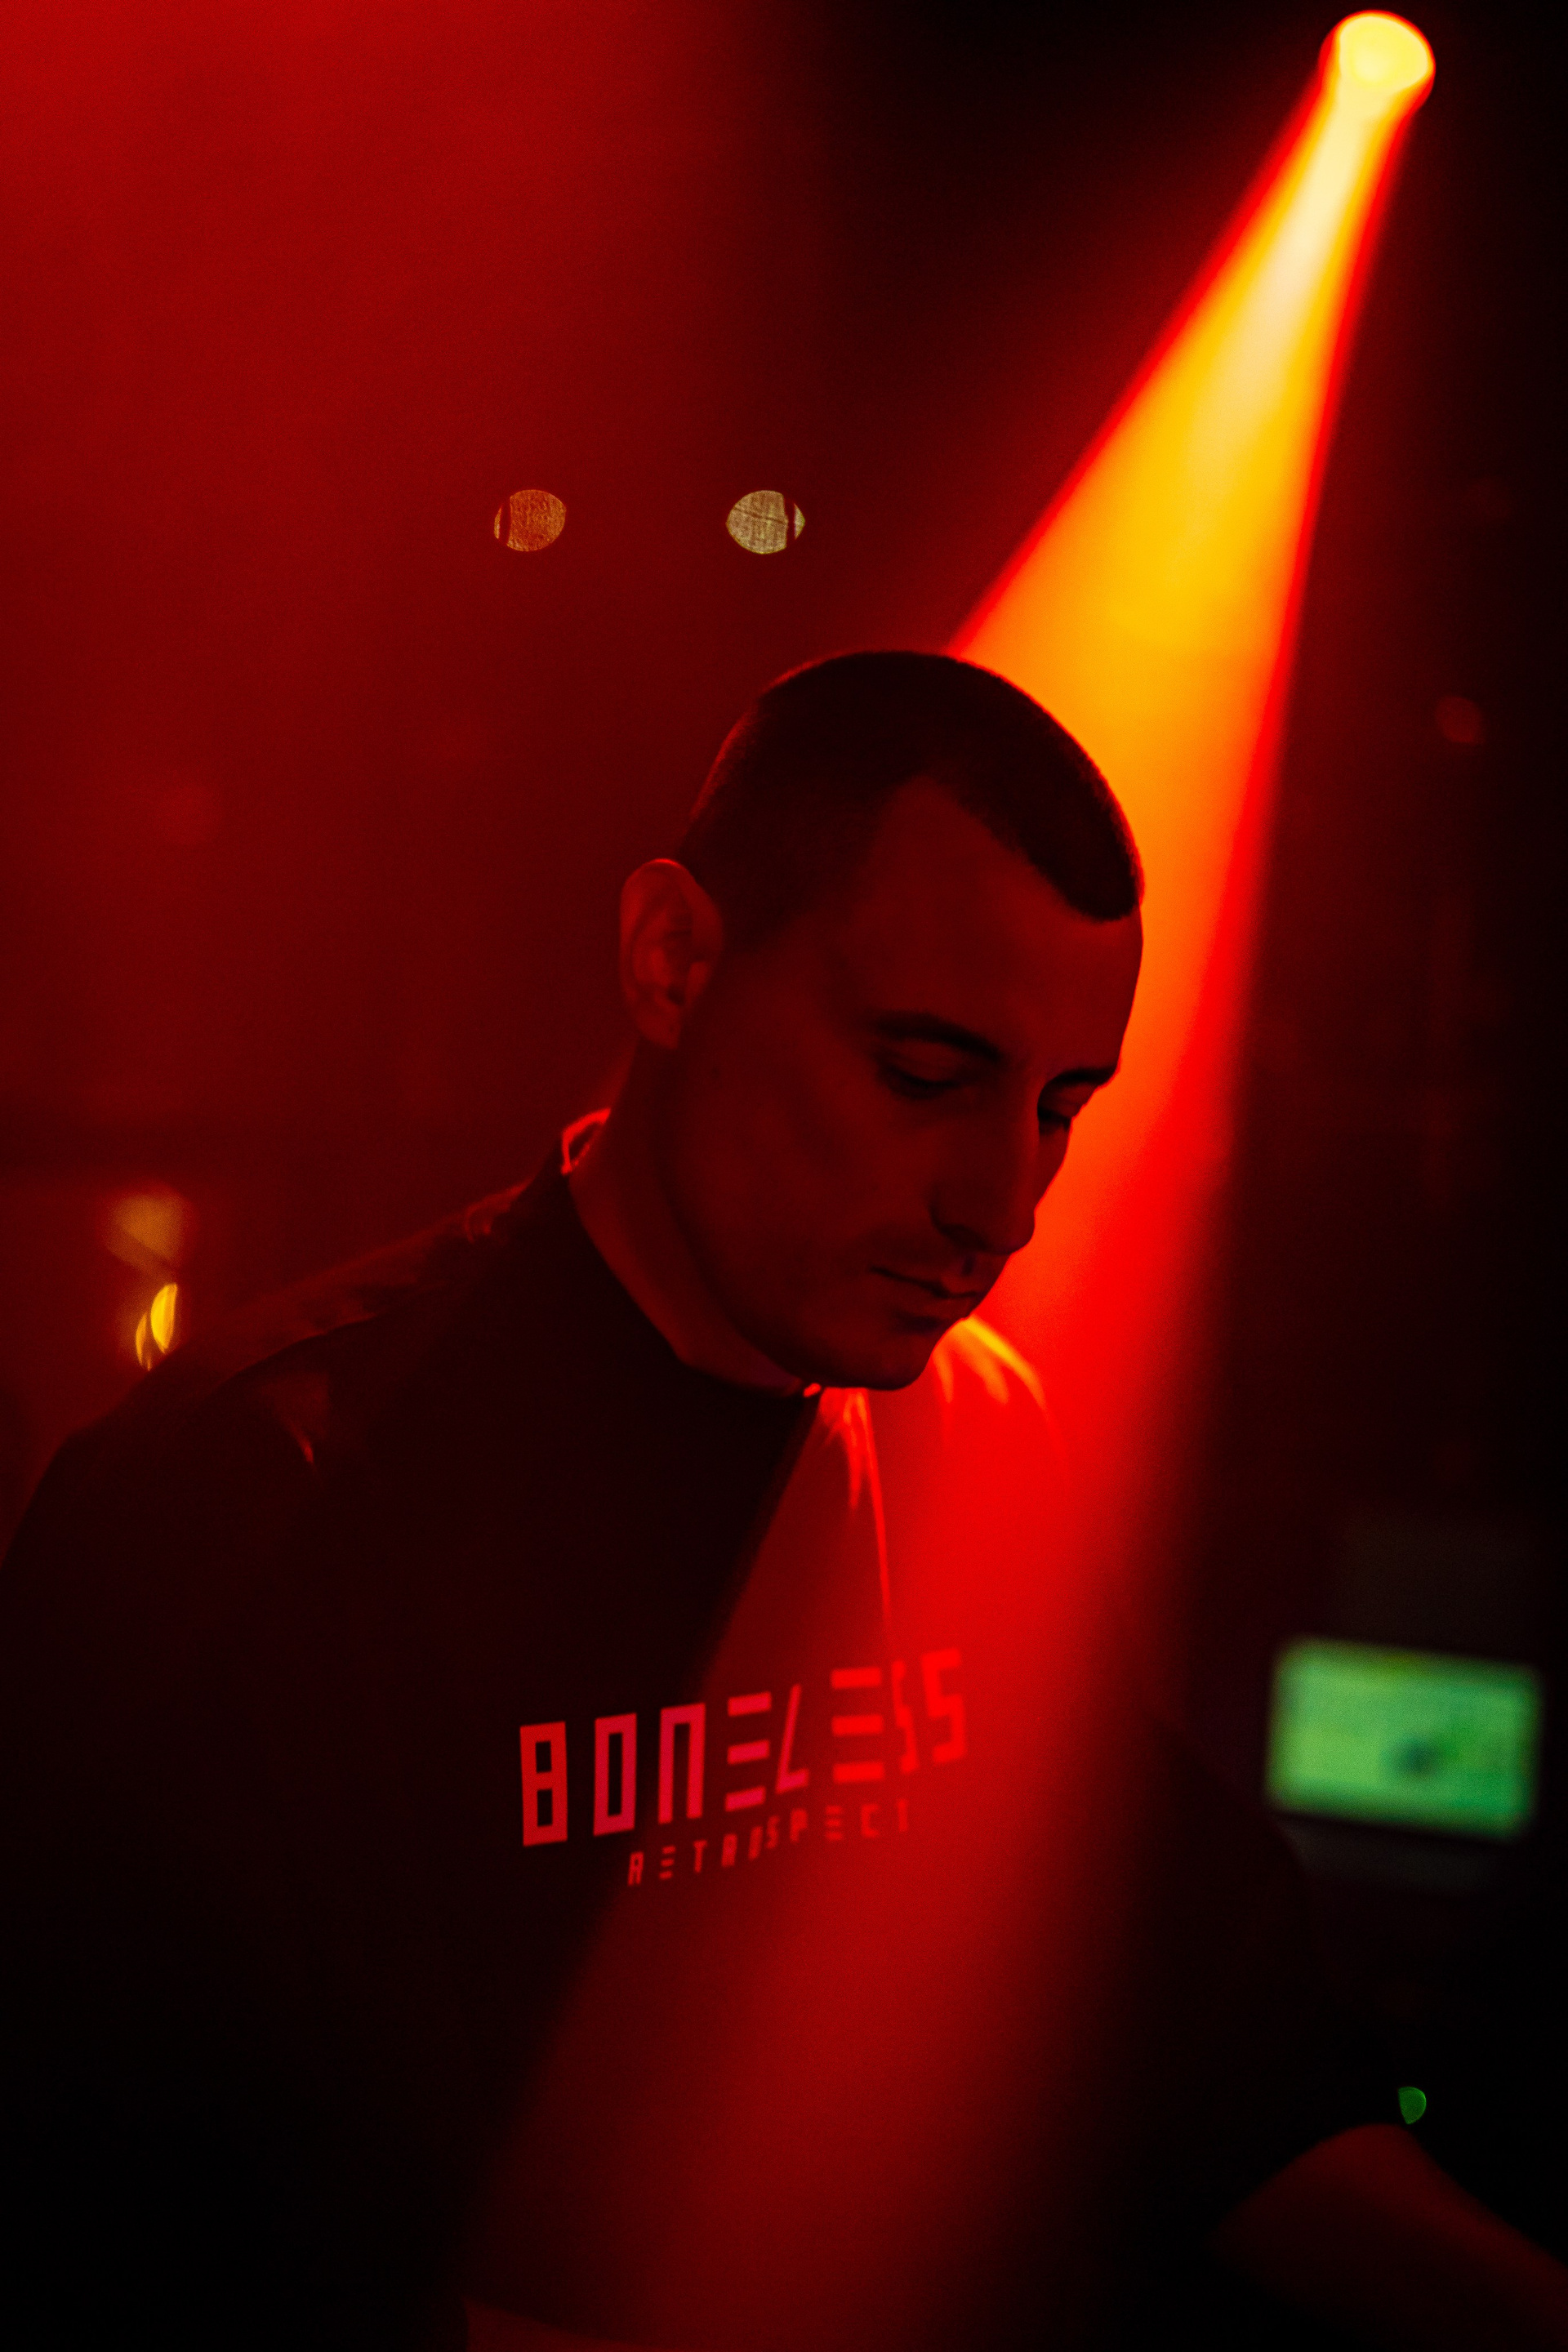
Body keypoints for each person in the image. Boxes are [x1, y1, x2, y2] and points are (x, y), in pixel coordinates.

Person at [2, 653, 1564, 2352]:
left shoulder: (974, 1432)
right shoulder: (256, 1492)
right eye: (925, 1074)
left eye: (1060, 1108)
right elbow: (134, 2229)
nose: (1003, 1206)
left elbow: (1190, 2034)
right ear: (674, 960)